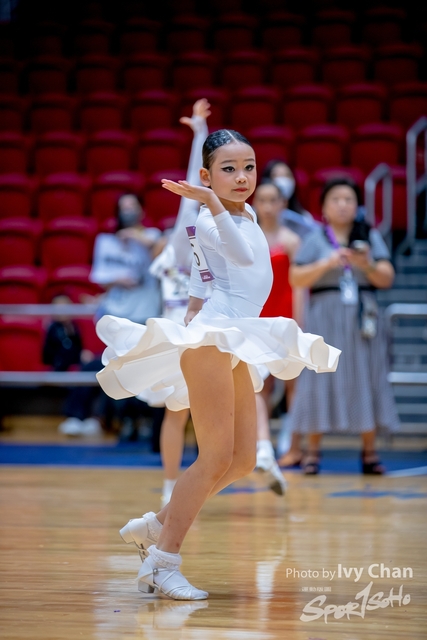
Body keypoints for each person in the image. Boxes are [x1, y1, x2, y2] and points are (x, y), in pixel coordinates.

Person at [95, 129, 341, 600]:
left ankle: (156, 524)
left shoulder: (243, 212)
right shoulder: (210, 218)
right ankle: (162, 562)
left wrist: (193, 302)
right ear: (207, 177)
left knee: (243, 458)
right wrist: (209, 203)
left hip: (233, 335)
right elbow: (245, 255)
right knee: (213, 457)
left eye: (249, 167)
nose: (243, 177)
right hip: (215, 339)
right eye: (229, 169)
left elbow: (201, 267)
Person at [287, 176, 400, 475]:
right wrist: (326, 263)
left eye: (348, 199)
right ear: (324, 207)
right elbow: (295, 277)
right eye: (335, 199)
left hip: (362, 317)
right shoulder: (315, 238)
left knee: (367, 376)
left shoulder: (368, 236)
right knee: (318, 379)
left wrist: (366, 265)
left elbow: (387, 277)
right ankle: (312, 452)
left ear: (357, 206)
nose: (342, 205)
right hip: (324, 316)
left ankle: (370, 452)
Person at [251, 180, 302, 492]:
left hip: (285, 318)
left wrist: (299, 323)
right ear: (255, 203)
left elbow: (299, 286)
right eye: (263, 200)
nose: (268, 206)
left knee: (292, 385)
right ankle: (263, 445)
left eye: (274, 200)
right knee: (260, 385)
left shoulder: (292, 240)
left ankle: (292, 444)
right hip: (257, 319)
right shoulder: (249, 238)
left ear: (283, 204)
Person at [43, 293, 103, 437]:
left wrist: (84, 354)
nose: (63, 311)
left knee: (99, 366)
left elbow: (81, 348)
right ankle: (77, 416)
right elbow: (52, 355)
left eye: (66, 306)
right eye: (59, 307)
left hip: (79, 366)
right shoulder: (53, 329)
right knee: (87, 372)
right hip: (61, 367)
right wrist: (79, 355)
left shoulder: (76, 327)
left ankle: (85, 417)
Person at [261, 158, 319, 239]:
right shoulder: (253, 216)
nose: (283, 180)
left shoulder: (304, 218)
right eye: (276, 175)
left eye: (287, 175)